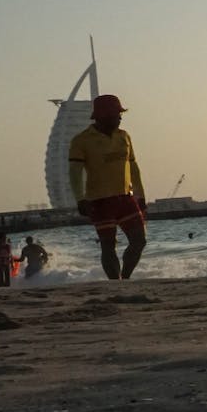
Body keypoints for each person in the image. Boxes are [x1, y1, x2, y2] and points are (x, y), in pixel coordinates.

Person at [67, 93, 147, 279]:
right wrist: (80, 199)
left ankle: (125, 277)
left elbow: (133, 167)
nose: (119, 118)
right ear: (102, 117)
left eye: (120, 114)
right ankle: (115, 282)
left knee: (139, 241)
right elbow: (75, 173)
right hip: (99, 201)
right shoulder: (81, 141)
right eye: (116, 114)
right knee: (108, 245)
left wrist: (141, 195)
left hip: (125, 197)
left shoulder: (124, 137)